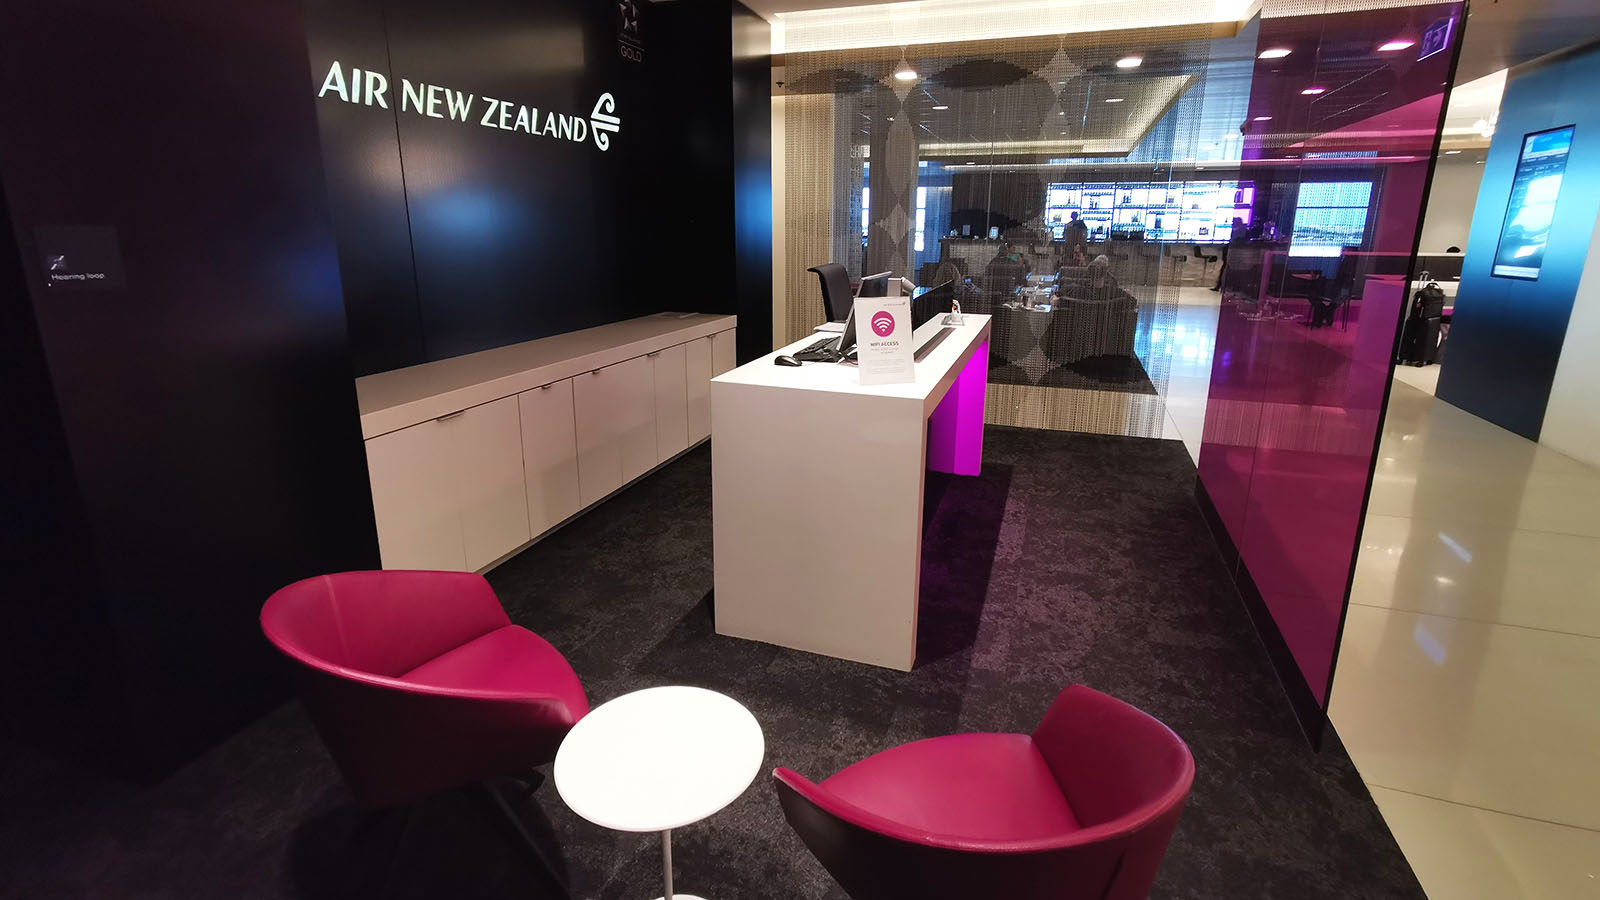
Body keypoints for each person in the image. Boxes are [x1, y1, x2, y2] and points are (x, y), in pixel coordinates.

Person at [1212, 217, 1247, 292]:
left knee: (1229, 269)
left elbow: (1240, 242)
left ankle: (1224, 286)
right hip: (1230, 253)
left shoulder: (1242, 231)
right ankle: (1220, 285)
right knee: (1225, 268)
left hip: (1235, 254)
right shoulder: (1234, 230)